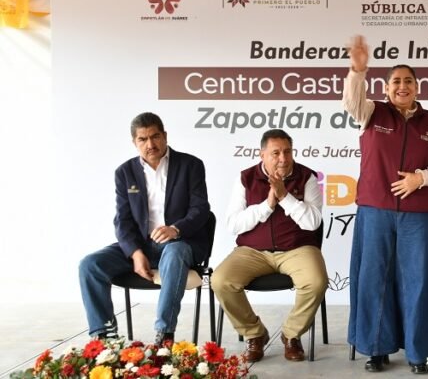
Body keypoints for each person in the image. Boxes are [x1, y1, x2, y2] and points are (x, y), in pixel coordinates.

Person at [344, 35, 428, 375]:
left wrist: (420, 178)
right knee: (374, 280)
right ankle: (376, 350)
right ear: (387, 88)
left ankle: (419, 353)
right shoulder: (371, 112)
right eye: (396, 81)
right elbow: (351, 102)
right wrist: (358, 70)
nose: (402, 86)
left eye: (408, 81)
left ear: (416, 87)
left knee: (418, 282)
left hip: (418, 216)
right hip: (375, 211)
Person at [79, 112, 210, 345]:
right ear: (134, 142)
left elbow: (200, 210)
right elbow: (123, 220)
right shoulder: (124, 172)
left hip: (180, 243)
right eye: (143, 139)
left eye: (155, 136)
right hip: (141, 245)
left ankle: (164, 335)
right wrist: (135, 253)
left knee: (175, 251)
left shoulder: (191, 165)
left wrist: (175, 229)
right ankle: (104, 337)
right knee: (90, 265)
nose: (150, 144)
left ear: (165, 136)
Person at [211, 129, 327, 363]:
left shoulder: (307, 177)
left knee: (316, 282)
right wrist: (267, 205)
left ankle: (291, 335)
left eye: (287, 152)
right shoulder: (246, 178)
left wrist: (285, 197)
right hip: (252, 251)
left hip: (297, 249)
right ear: (262, 154)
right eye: (276, 153)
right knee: (221, 281)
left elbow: (313, 222)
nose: (283, 158)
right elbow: (233, 224)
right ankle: (255, 334)